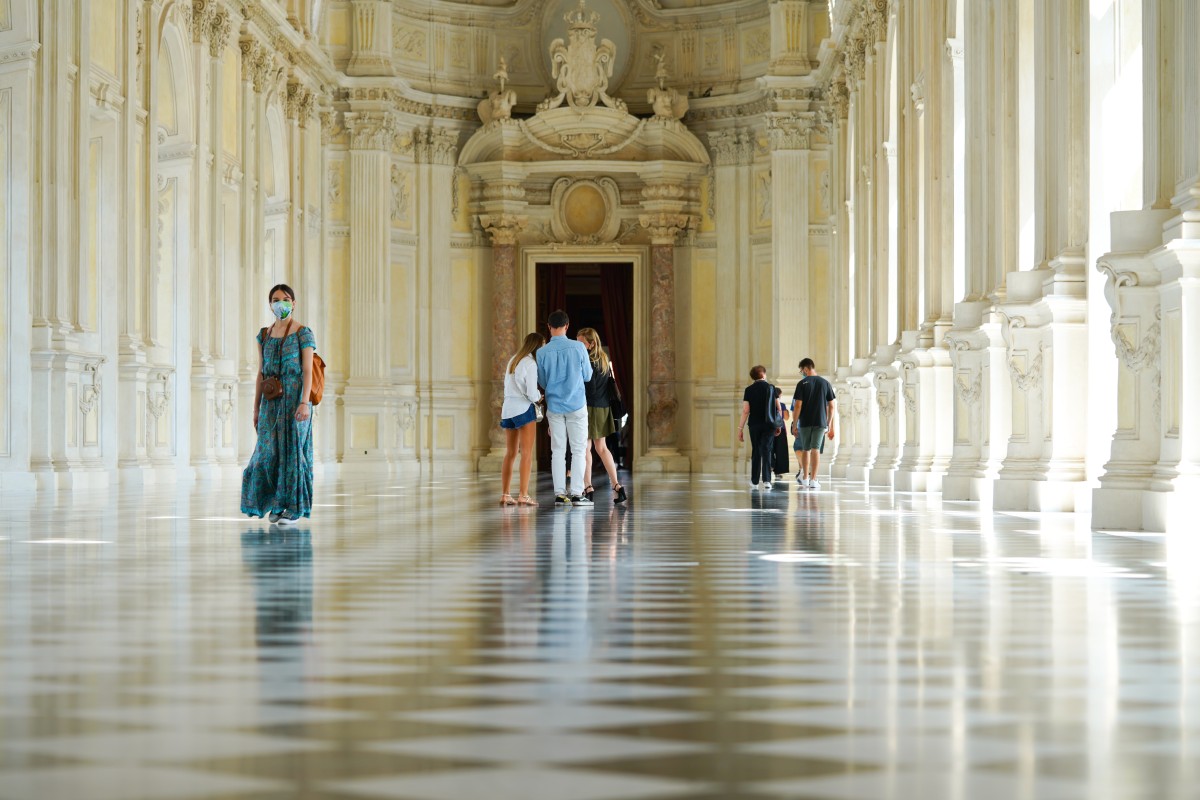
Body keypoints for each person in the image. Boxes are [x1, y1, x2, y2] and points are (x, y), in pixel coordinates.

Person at [241, 284, 317, 524]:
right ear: (270, 304)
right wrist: (256, 408)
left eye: (285, 299)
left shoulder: (303, 333)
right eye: (276, 299)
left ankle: (292, 507)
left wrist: (304, 402)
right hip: (271, 401)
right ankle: (275, 501)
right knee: (266, 452)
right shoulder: (264, 335)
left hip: (296, 400)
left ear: (294, 303)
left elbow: (307, 371)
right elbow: (261, 373)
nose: (280, 303)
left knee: (293, 453)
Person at [536, 310, 593, 505]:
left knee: (558, 451)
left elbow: (542, 381)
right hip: (577, 404)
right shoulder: (578, 348)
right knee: (578, 450)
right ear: (567, 326)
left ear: (549, 327)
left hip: (555, 406)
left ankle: (560, 494)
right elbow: (587, 376)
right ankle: (577, 494)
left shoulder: (542, 352)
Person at [577, 327, 627, 505]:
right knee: (602, 448)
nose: (579, 346)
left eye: (581, 343)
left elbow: (589, 389)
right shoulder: (604, 360)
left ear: (590, 344)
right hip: (603, 409)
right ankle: (617, 486)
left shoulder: (587, 362)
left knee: (585, 448)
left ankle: (588, 486)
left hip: (589, 408)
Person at [500, 332, 544, 507]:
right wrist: (539, 397)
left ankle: (505, 494)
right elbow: (532, 392)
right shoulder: (530, 363)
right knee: (527, 453)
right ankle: (524, 495)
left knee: (510, 453)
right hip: (524, 409)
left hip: (508, 409)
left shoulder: (513, 360)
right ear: (537, 346)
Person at [792, 357, 837, 490]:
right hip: (820, 422)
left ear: (806, 369)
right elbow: (831, 406)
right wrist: (828, 423)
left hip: (805, 422)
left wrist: (795, 424)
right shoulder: (825, 383)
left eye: (802, 371)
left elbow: (798, 406)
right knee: (815, 449)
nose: (802, 374)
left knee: (806, 449)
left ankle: (805, 478)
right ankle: (813, 479)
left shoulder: (802, 384)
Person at [737, 365, 780, 490]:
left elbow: (746, 410)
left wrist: (740, 428)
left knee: (756, 450)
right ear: (763, 375)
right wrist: (778, 425)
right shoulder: (772, 388)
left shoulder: (749, 390)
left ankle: (754, 481)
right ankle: (767, 481)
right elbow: (778, 408)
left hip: (754, 424)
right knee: (767, 449)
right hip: (769, 424)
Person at [772, 384, 791, 481]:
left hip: (770, 429)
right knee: (781, 451)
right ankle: (778, 471)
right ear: (779, 395)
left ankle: (770, 466)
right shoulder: (782, 405)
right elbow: (786, 418)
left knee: (770, 449)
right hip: (780, 429)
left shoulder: (768, 404)